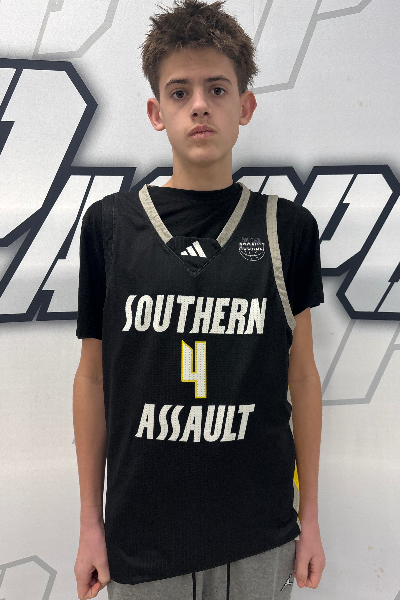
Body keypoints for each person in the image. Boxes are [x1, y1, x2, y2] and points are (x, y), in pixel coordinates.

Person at [73, 1, 326, 598]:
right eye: (180, 92)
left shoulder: (287, 228)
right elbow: (92, 378)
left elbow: (302, 376)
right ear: (156, 112)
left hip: (258, 531)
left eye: (217, 88)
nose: (199, 105)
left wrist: (310, 517)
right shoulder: (110, 226)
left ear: (245, 106)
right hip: (141, 536)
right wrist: (89, 523)